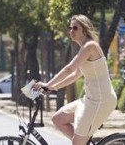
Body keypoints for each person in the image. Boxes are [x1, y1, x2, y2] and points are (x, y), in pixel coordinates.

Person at [33, 15, 117, 145]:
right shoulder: (84, 48)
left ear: (85, 29)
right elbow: (74, 75)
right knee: (58, 119)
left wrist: (48, 84)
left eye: (75, 28)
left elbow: (69, 69)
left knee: (77, 143)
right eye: (70, 28)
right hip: (90, 99)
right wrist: (53, 87)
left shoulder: (90, 46)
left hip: (101, 100)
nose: (71, 31)